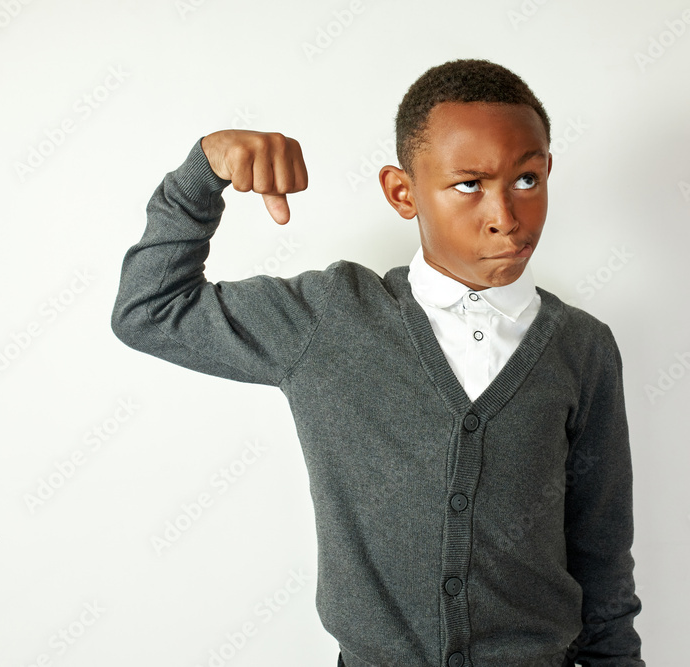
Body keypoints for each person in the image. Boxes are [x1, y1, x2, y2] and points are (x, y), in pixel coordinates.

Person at [111, 58, 644, 667]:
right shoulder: (327, 319)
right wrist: (203, 172)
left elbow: (601, 555)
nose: (506, 216)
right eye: (468, 184)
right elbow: (149, 310)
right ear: (402, 192)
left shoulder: (583, 346)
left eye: (526, 180)